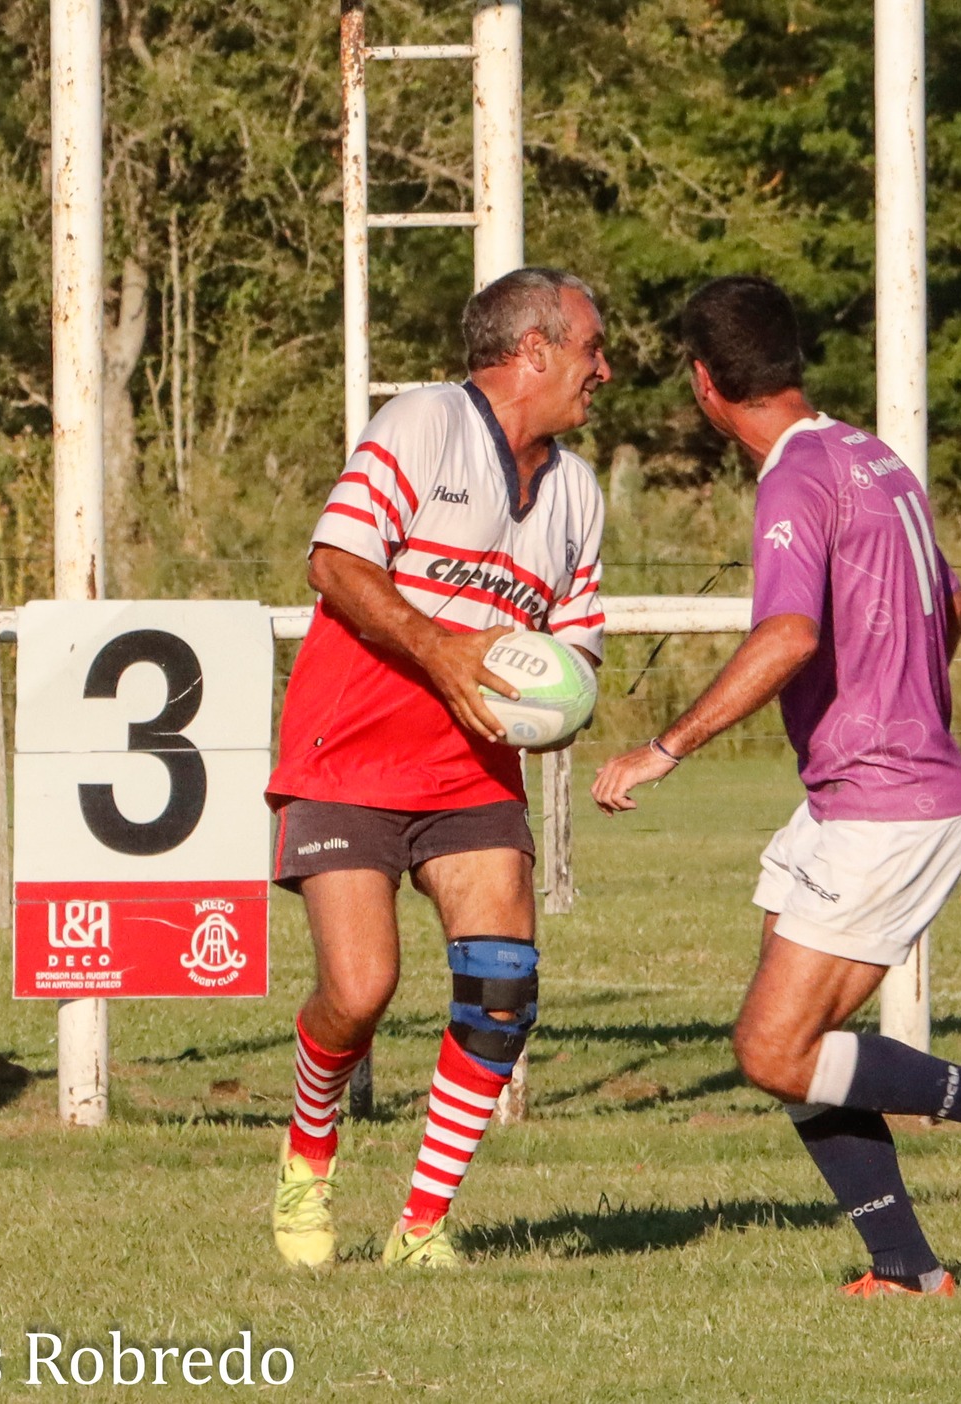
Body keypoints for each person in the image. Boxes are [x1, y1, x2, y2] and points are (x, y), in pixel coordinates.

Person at [592, 275, 961, 1298]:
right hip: (860, 792)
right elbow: (947, 604)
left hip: (882, 803)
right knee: (797, 1036)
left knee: (771, 1050)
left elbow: (787, 634)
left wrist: (664, 747)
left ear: (703, 384)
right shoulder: (869, 455)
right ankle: (903, 1269)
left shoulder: (794, 478)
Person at [266, 267, 611, 1270]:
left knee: (503, 988)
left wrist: (553, 700)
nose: (605, 370)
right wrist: (443, 647)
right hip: (347, 756)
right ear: (534, 351)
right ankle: (307, 1150)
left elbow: (578, 650)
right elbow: (333, 562)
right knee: (360, 991)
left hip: (470, 777)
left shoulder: (577, 492)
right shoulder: (422, 421)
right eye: (592, 348)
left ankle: (422, 1226)